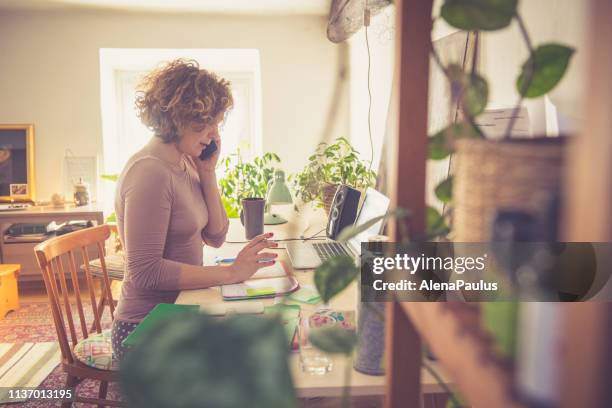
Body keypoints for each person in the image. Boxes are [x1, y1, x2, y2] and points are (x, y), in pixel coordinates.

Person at [111, 59, 278, 360]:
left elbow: (215, 236)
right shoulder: (150, 172)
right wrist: (230, 273)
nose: (214, 134)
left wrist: (208, 173)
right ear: (176, 118)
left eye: (216, 122)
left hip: (181, 311)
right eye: (205, 122)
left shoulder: (186, 161)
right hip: (146, 328)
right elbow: (145, 272)